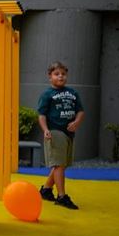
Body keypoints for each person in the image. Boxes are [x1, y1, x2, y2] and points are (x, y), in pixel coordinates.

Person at [37, 61, 84, 210]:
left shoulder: (73, 93)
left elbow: (81, 111)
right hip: (55, 131)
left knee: (61, 164)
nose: (61, 76)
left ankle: (46, 190)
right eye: (57, 74)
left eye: (63, 74)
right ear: (50, 77)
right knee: (59, 164)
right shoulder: (47, 94)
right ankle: (61, 196)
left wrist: (77, 122)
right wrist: (45, 129)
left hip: (69, 132)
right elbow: (42, 114)